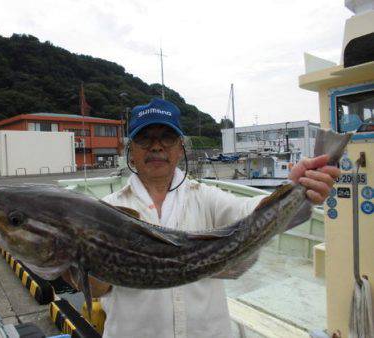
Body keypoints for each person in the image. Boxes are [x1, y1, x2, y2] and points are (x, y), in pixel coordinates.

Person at [67, 98, 340, 338]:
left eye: (167, 137)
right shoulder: (106, 210)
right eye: (145, 138)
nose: (156, 146)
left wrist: (292, 188)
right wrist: (79, 262)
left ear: (179, 147)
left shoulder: (205, 197)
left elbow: (247, 212)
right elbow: (99, 290)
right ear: (131, 149)